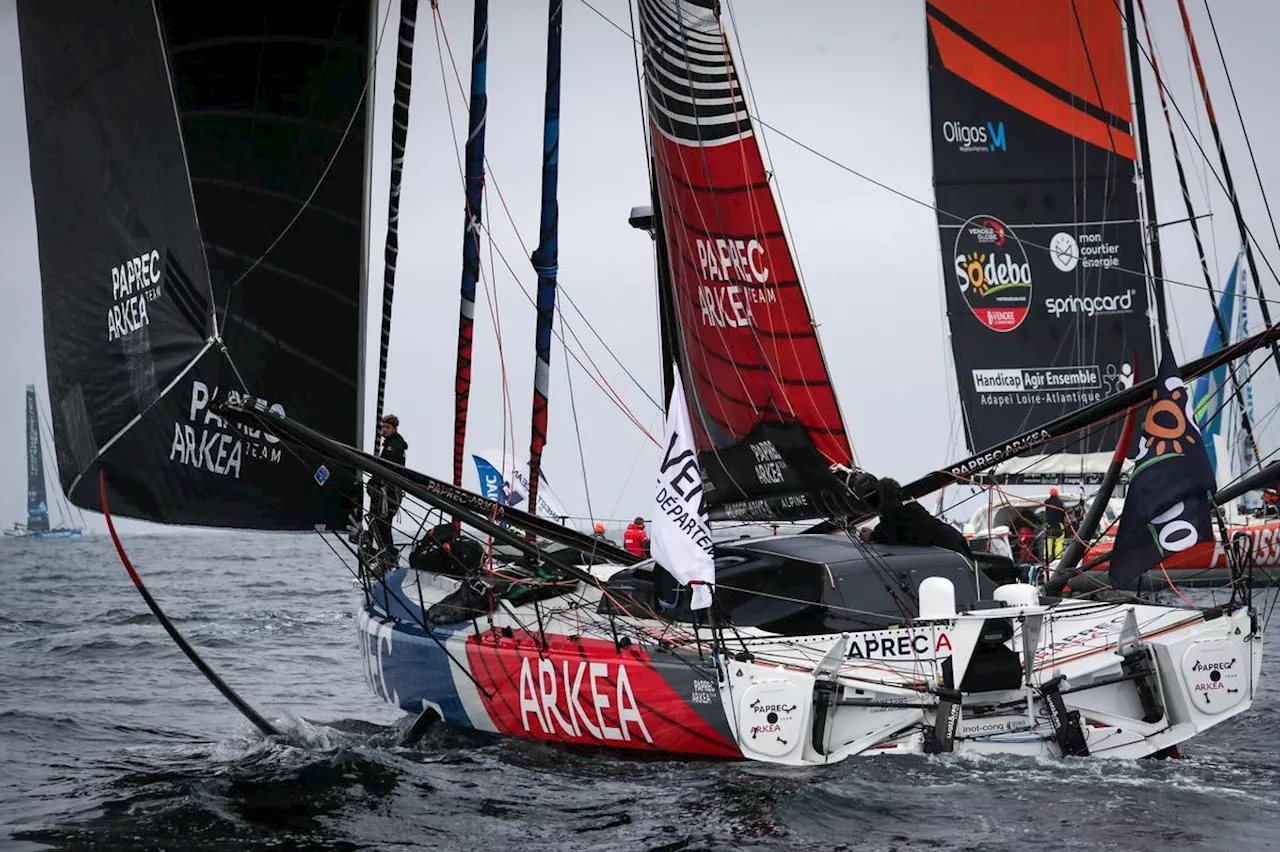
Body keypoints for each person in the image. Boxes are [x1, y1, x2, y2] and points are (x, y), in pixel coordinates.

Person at [859, 477, 971, 559]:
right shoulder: (906, 500)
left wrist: (872, 536)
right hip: (953, 536)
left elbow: (890, 535)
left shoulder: (891, 508)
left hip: (947, 545)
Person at [368, 414, 408, 570]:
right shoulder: (390, 444)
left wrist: (375, 483)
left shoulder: (394, 446)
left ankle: (389, 556)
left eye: (387, 428)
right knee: (378, 523)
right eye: (382, 427)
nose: (383, 430)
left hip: (389, 492)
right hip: (385, 490)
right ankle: (386, 556)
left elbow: (386, 469)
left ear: (394, 428)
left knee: (382, 523)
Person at [1043, 487, 1067, 562]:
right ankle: (1058, 557)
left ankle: (1047, 557)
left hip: (1049, 525)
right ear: (1057, 494)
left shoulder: (1046, 502)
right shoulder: (1060, 503)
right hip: (1058, 525)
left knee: (1049, 542)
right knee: (1059, 541)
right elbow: (1064, 514)